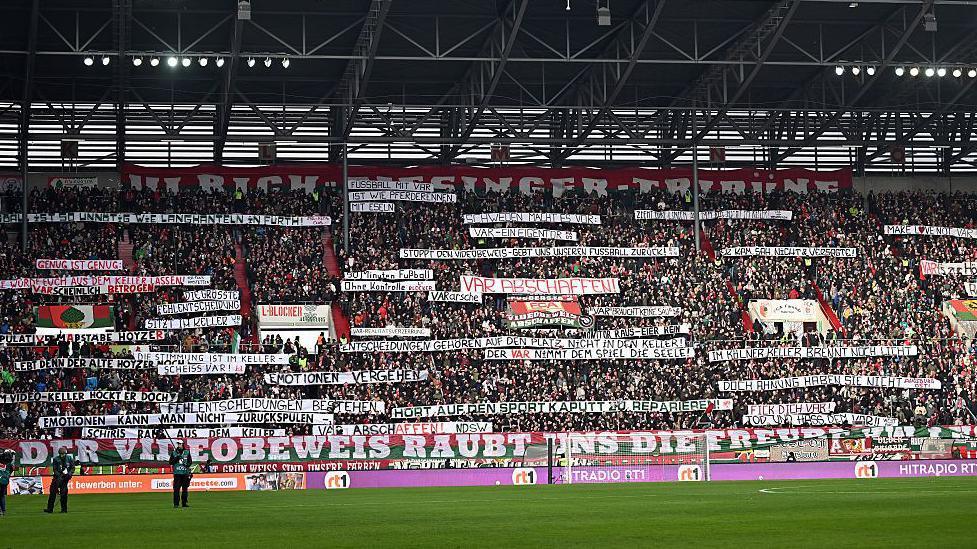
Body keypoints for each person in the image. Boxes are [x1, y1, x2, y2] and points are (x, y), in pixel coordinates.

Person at [45, 448, 75, 514]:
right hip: (56, 478)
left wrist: (69, 474)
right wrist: (59, 476)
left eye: (63, 454)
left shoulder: (69, 458)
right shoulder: (56, 459)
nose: (62, 455)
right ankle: (50, 509)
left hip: (65, 479)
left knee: (64, 494)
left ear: (65, 453)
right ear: (59, 454)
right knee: (52, 493)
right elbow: (55, 469)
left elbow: (72, 468)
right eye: (61, 454)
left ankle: (64, 509)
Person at [169, 441, 192, 508]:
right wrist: (177, 458)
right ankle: (176, 504)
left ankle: (184, 503)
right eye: (178, 444)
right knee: (176, 489)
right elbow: (170, 462)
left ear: (182, 444)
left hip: (185, 473)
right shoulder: (174, 452)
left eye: (180, 444)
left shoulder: (187, 452)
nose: (178, 445)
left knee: (185, 489)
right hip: (177, 473)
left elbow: (190, 462)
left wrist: (187, 464)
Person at [0, 448, 14, 516]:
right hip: (5, 480)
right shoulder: (9, 464)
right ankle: (3, 510)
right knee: (2, 495)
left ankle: (0, 511)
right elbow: (11, 470)